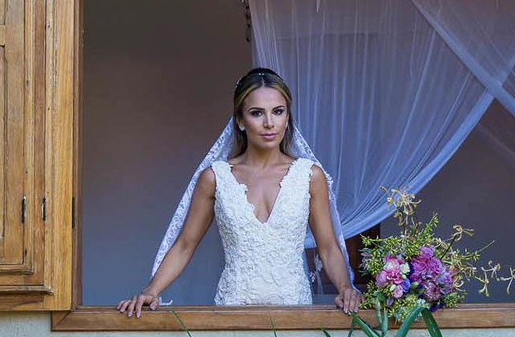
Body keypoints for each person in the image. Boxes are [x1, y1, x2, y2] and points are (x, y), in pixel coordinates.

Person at [117, 68, 364, 317]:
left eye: (278, 111)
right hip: (233, 311)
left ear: (288, 117)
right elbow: (185, 245)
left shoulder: (309, 176)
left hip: (294, 310)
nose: (269, 123)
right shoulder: (215, 178)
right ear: (240, 120)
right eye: (257, 113)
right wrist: (151, 291)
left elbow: (328, 247)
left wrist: (346, 288)